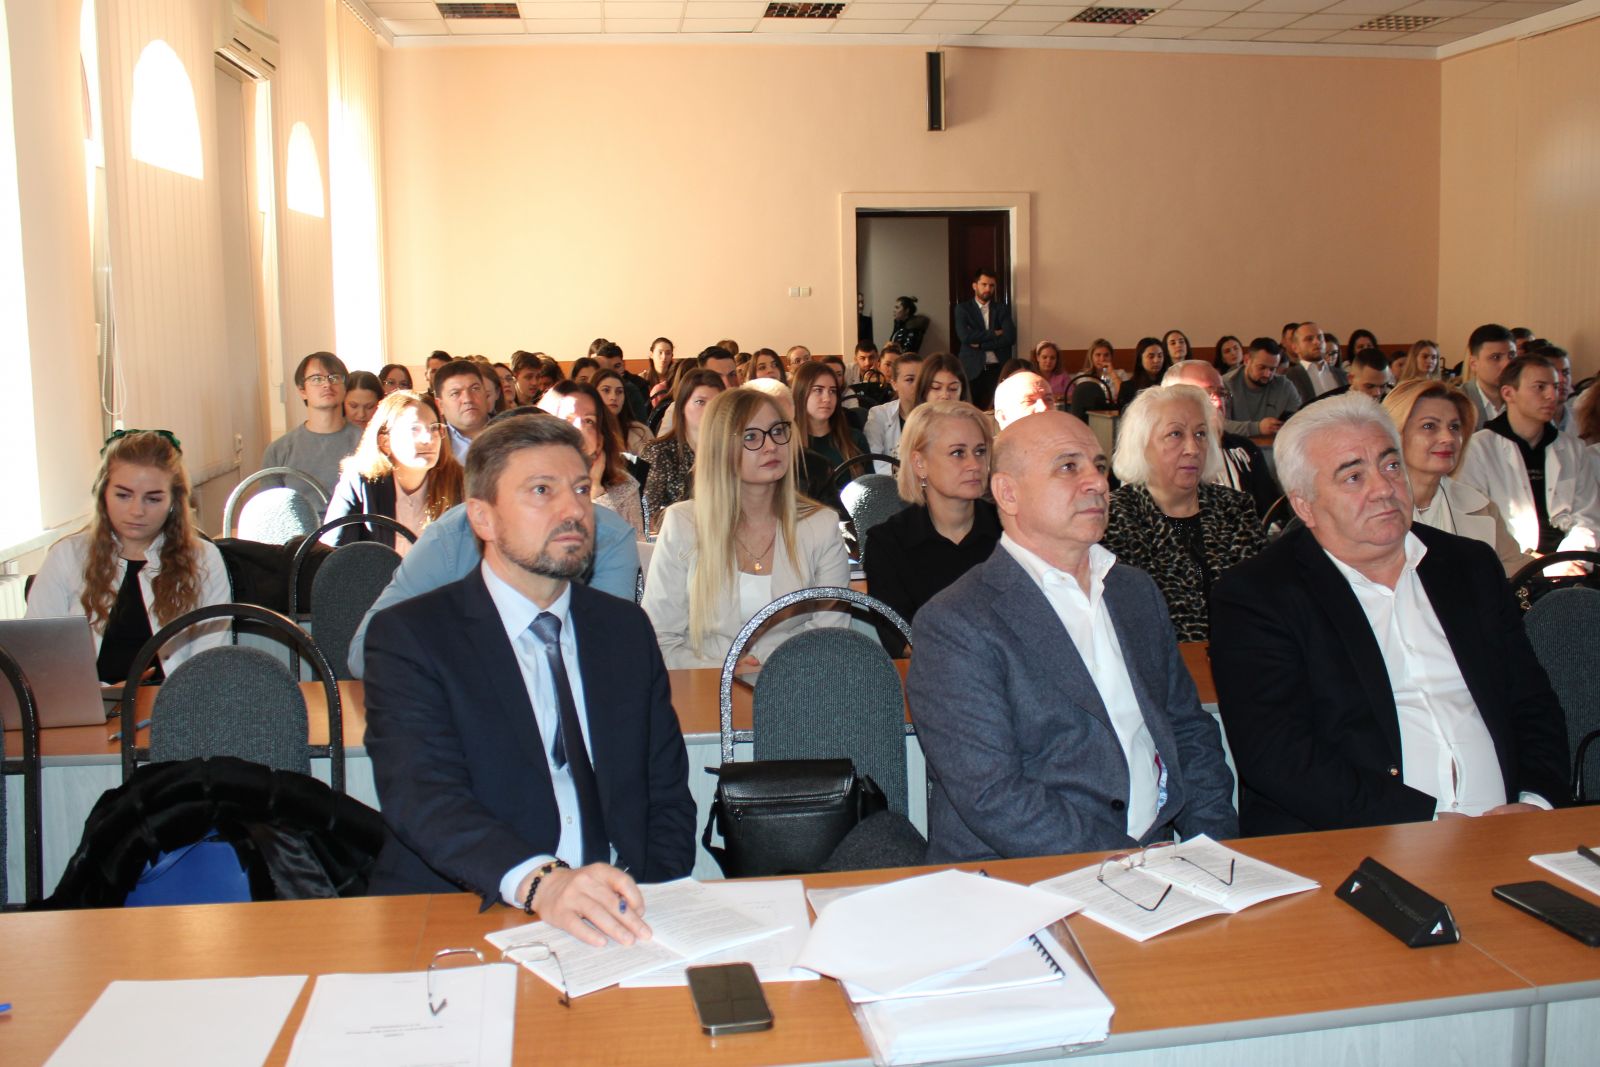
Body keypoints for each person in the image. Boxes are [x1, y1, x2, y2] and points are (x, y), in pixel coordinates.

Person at [361, 416, 694, 933]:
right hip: (474, 906)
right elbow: (424, 798)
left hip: (620, 912)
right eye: (542, 490)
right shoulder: (414, 637)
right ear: (483, 518)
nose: (574, 510)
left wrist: (652, 898)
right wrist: (543, 885)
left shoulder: (624, 630)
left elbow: (666, 795)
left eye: (580, 489)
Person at [1209, 394, 1569, 835]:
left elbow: (1533, 703)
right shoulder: (1258, 595)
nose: (1384, 488)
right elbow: (1278, 754)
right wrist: (1424, 822)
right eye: (1353, 476)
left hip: (1509, 830)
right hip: (1359, 839)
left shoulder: (1469, 566)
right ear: (1304, 505)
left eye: (1391, 465)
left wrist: (1536, 802)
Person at [907, 410, 1237, 863]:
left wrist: (1213, 851)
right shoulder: (956, 622)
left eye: (1099, 466)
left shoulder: (1134, 591)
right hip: (1028, 875)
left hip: (1163, 859)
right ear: (1008, 493)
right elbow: (994, 795)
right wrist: (1133, 865)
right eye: (1068, 466)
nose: (1098, 482)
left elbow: (1188, 730)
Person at [642, 387, 851, 669]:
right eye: (751, 436)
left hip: (797, 682)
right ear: (720, 449)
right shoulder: (683, 524)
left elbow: (832, 635)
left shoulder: (821, 525)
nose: (771, 446)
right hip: (704, 684)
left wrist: (770, 669)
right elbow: (659, 640)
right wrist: (729, 670)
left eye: (778, 431)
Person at [27, 430, 230, 684]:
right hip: (89, 703)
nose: (137, 511)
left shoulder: (204, 559)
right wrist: (105, 693)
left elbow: (210, 663)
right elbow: (37, 659)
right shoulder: (66, 557)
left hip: (172, 700)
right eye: (123, 496)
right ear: (103, 494)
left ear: (174, 502)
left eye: (153, 499)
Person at [1103, 386, 1265, 641]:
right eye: (1175, 434)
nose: (1193, 448)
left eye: (1201, 434)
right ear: (1141, 444)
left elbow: (1263, 597)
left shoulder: (1235, 508)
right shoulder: (1113, 518)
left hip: (1242, 653)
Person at [863, 401, 1000, 656]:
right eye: (958, 453)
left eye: (980, 451)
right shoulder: (887, 543)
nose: (975, 464)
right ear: (919, 463)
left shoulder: (1011, 531)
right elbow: (900, 640)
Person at [1454, 354, 1600, 555]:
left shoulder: (1572, 448)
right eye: (1540, 387)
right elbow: (1475, 521)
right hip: (1508, 561)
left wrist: (1566, 559)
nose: (1551, 395)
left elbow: (1588, 516)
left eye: (1555, 387)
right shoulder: (1479, 448)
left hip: (1568, 560)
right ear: (1508, 393)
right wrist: (1531, 561)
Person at [1381, 379, 1529, 576]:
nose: (1448, 438)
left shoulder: (1481, 508)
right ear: (1394, 434)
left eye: (1454, 427)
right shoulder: (1367, 506)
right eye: (1429, 426)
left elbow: (1517, 573)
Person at [323, 391, 464, 556]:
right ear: (385, 442)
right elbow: (334, 556)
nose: (428, 439)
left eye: (434, 428)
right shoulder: (359, 482)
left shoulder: (456, 480)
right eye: (414, 429)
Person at [1163, 361, 1281, 519]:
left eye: (1221, 394)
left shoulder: (1245, 450)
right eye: (1205, 395)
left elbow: (1272, 515)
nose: (1218, 403)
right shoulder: (1157, 457)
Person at [540, 380, 644, 539]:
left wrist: (595, 490)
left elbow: (633, 548)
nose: (579, 429)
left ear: (601, 436)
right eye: (567, 420)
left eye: (589, 421)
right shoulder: (534, 485)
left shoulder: (623, 486)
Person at [261, 351, 363, 509]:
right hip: (300, 525)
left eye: (334, 378)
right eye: (317, 379)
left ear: (345, 388)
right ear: (302, 390)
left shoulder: (367, 443)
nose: (327, 384)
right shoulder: (279, 450)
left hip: (356, 524)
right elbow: (272, 511)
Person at [641, 368, 727, 526]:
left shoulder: (729, 450)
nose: (709, 410)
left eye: (716, 404)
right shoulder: (660, 451)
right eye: (700, 402)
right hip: (672, 535)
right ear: (681, 406)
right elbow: (646, 515)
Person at [953, 268, 1016, 410]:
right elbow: (965, 337)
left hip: (997, 369)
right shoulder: (963, 309)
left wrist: (982, 345)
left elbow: (1010, 337)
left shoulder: (1001, 309)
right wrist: (994, 333)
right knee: (970, 411)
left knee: (999, 410)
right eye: (984, 284)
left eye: (992, 285)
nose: (988, 289)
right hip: (972, 370)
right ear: (974, 286)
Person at [792, 360, 867, 473]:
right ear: (801, 393)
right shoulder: (787, 444)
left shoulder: (855, 439)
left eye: (832, 391)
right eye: (818, 390)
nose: (827, 398)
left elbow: (871, 482)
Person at [1222, 338, 1301, 438]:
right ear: (1246, 360)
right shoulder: (1225, 385)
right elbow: (1219, 425)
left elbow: (1300, 419)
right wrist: (1258, 428)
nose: (1267, 374)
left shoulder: (1285, 386)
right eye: (1261, 367)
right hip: (1238, 446)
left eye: (1272, 369)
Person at [865, 350, 923, 475]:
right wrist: (902, 468)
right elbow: (873, 460)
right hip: (890, 483)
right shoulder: (879, 414)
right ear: (894, 384)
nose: (917, 385)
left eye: (921, 379)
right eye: (910, 379)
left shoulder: (934, 416)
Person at [433, 358, 492, 464]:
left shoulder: (511, 432)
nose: (468, 399)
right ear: (440, 405)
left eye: (475, 389)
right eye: (455, 393)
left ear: (485, 393)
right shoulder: (435, 446)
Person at [592, 367, 654, 458]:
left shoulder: (639, 432)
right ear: (593, 393)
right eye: (606, 390)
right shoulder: (584, 430)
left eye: (619, 392)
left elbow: (654, 464)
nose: (613, 397)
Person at [1463, 323, 1516, 425]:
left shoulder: (1525, 398)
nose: (1507, 364)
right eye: (1496, 357)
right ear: (1474, 364)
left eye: (1512, 355)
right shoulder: (1456, 401)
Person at [1285, 321, 1347, 405]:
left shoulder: (1342, 375)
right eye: (1309, 339)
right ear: (1295, 348)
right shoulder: (1289, 377)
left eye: (1320, 337)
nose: (1317, 342)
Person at [1066, 338, 1120, 419]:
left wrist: (1112, 374)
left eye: (1106, 355)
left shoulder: (1120, 374)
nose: (1102, 359)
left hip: (1112, 415)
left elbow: (1124, 397)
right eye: (1098, 355)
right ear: (1091, 357)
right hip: (1089, 416)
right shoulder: (1083, 376)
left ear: (1111, 357)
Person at [1116, 337, 1169, 409]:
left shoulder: (1170, 383)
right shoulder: (1128, 388)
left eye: (1160, 356)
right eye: (1151, 357)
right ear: (1140, 359)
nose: (1156, 360)